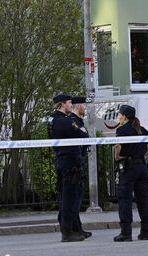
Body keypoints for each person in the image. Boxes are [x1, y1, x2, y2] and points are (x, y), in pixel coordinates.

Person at [113, 104, 148, 242]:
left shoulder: (121, 130)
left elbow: (118, 149)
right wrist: (146, 157)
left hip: (129, 169)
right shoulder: (140, 129)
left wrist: (117, 156)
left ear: (124, 116)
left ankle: (126, 233)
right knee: (143, 200)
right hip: (142, 168)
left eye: (119, 115)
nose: (118, 117)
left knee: (125, 200)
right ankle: (146, 232)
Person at [50, 93, 90, 242]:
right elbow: (83, 136)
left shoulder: (53, 120)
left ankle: (72, 229)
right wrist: (83, 132)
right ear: (62, 104)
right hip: (70, 162)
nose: (70, 105)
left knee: (68, 197)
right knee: (70, 199)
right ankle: (67, 232)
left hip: (63, 160)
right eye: (68, 102)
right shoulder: (64, 121)